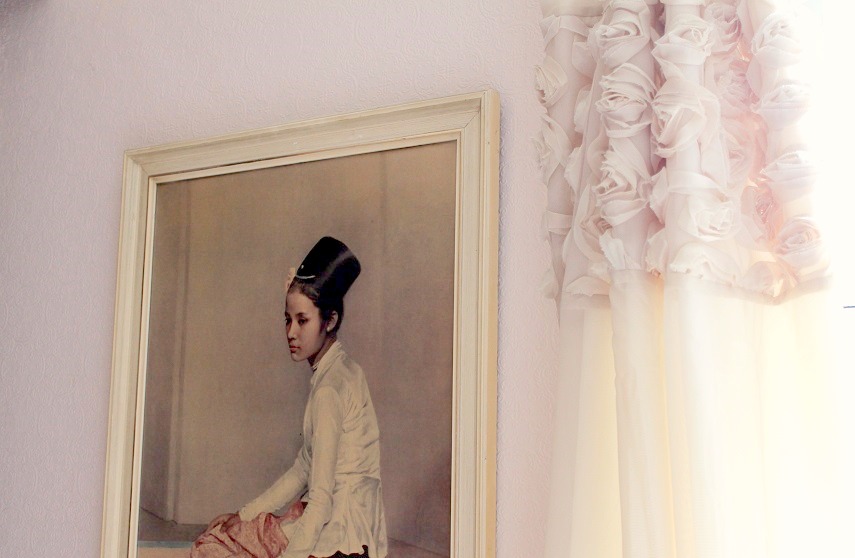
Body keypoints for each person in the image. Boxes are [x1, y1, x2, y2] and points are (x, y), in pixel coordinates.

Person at [191, 237, 387, 558]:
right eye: (288, 319)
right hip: (354, 528)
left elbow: (321, 500)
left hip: (339, 536)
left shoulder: (329, 390)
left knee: (210, 547)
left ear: (330, 320)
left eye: (302, 320)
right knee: (228, 533)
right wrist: (245, 515)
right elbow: (305, 467)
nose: (291, 332)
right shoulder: (343, 370)